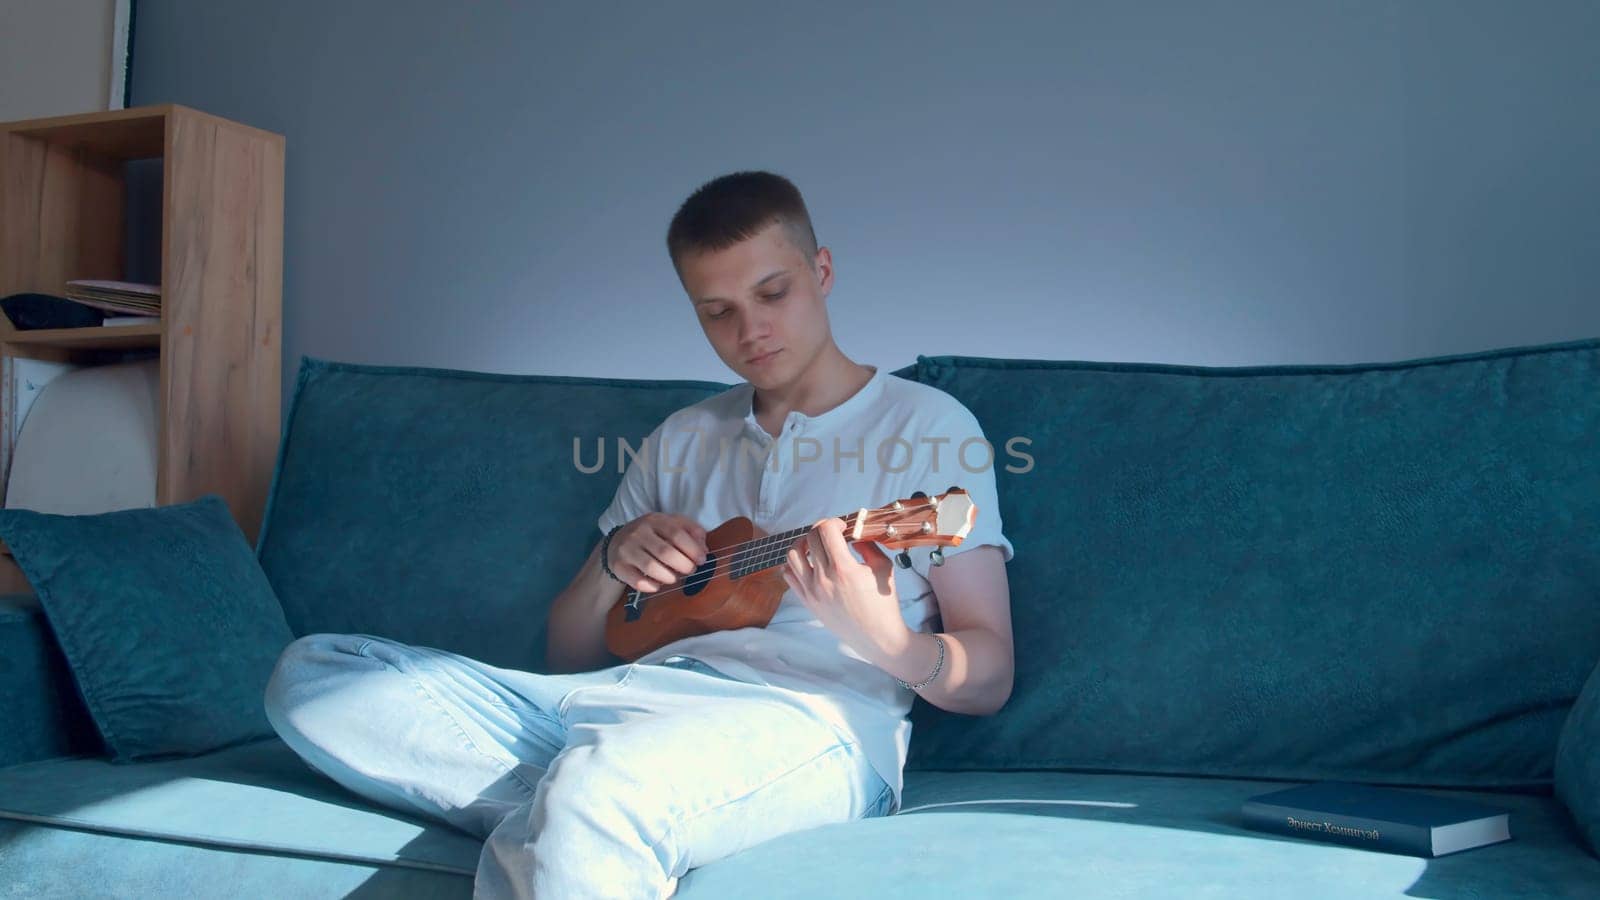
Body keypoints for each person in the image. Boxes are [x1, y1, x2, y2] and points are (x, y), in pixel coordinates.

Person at [263, 171, 1015, 899]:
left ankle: (594, 808)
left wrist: (892, 644)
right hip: (611, 704)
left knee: (601, 785)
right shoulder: (681, 439)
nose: (749, 330)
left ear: (821, 270)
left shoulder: (929, 428)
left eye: (772, 293)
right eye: (716, 310)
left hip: (803, 722)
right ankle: (591, 815)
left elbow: (991, 673)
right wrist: (611, 563)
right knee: (316, 674)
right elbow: (568, 654)